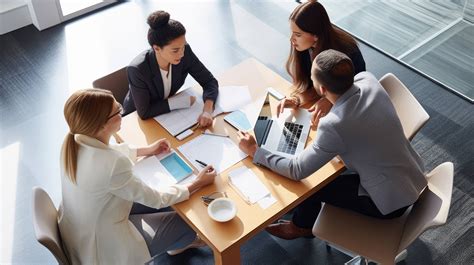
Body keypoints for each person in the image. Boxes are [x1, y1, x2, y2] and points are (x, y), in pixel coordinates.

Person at [237, 49, 427, 240]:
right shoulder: (368, 80)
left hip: (389, 202)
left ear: (321, 89)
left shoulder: (334, 125)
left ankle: (300, 227)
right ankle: (302, 218)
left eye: (313, 78)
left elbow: (297, 169)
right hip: (411, 174)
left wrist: (255, 151)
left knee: (312, 186)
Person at [58, 88, 217, 264]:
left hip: (81, 230)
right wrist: (197, 183)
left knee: (170, 201)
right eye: (117, 111)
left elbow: (111, 152)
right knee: (189, 224)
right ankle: (179, 242)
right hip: (104, 246)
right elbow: (157, 199)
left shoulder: (76, 142)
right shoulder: (113, 164)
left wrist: (147, 150)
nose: (121, 111)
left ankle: (174, 240)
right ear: (101, 125)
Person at [277, 0, 366, 128]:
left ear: (316, 36)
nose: (292, 39)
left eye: (297, 35)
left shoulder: (348, 53)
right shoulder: (305, 49)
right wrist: (297, 99)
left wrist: (329, 101)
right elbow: (312, 87)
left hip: (351, 115)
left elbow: (358, 91)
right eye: (292, 33)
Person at [123, 10, 218, 127]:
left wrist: (207, 111)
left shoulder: (185, 52)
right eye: (175, 50)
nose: (182, 54)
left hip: (167, 116)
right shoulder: (137, 70)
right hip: (135, 120)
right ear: (157, 48)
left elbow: (209, 81)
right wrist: (180, 102)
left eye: (183, 46)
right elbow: (144, 112)